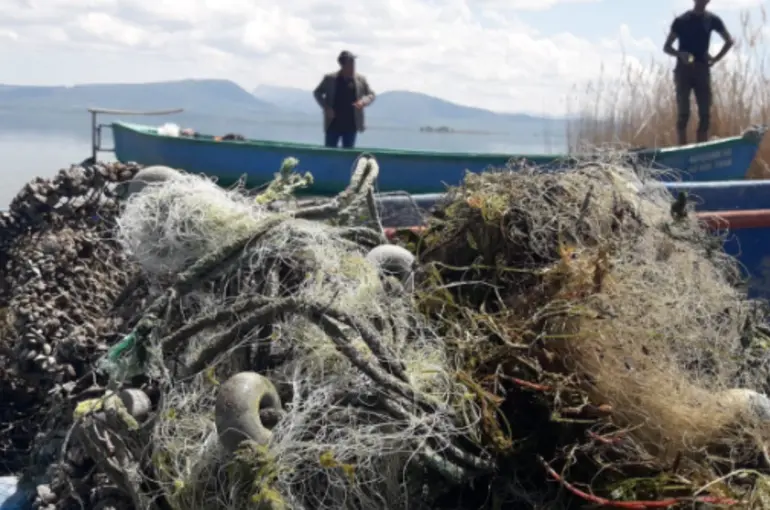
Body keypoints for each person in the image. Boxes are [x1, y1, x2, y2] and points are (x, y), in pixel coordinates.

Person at [663, 0, 733, 145]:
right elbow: (667, 47)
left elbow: (729, 41)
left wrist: (715, 59)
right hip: (683, 70)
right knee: (683, 113)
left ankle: (702, 149)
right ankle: (682, 148)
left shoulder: (712, 20)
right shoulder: (681, 21)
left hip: (702, 69)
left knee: (705, 113)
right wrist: (680, 54)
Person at [313, 50, 376, 148]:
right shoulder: (330, 79)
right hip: (332, 124)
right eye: (350, 64)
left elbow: (371, 94)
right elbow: (317, 92)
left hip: (351, 125)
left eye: (353, 63)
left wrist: (363, 102)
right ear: (343, 65)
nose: (353, 66)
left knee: (348, 154)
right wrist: (326, 108)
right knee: (329, 152)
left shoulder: (360, 79)